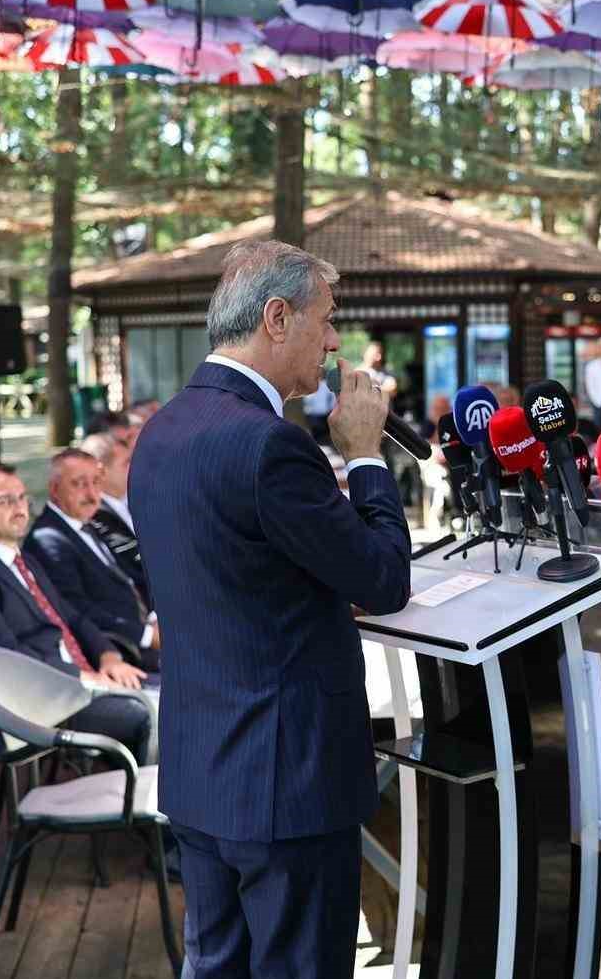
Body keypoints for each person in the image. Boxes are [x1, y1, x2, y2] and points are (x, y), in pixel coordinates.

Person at [131, 240, 412, 979]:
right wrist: (366, 454)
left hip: (201, 774)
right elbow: (383, 577)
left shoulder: (161, 431)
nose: (334, 341)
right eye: (326, 320)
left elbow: (235, 572)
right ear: (277, 317)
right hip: (288, 787)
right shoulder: (269, 446)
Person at [0, 465, 153, 764]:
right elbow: (7, 657)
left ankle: (151, 801)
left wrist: (108, 656)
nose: (19, 508)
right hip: (44, 704)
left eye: (22, 498)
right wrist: (86, 679)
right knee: (153, 717)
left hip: (79, 682)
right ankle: (142, 806)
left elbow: (72, 617)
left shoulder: (23, 560)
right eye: (4, 501)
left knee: (176, 695)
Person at [25, 448, 160, 669]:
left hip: (145, 632)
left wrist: (156, 616)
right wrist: (147, 635)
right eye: (79, 484)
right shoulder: (48, 539)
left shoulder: (86, 522)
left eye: (96, 482)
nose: (91, 494)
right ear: (54, 489)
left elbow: (132, 576)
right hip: (120, 651)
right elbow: (76, 609)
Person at [77, 432, 152, 610]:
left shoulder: (130, 499)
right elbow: (136, 563)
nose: (135, 467)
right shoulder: (95, 516)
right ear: (101, 471)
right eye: (127, 463)